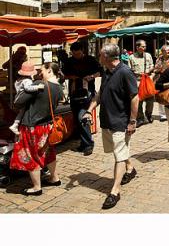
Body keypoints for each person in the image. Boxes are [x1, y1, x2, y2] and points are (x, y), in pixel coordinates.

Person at [84, 44, 139, 210]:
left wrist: (132, 121)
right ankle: (130, 168)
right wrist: (89, 111)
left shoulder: (124, 72)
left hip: (121, 122)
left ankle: (115, 191)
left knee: (118, 155)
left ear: (107, 57)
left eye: (100, 55)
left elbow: (135, 98)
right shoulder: (107, 72)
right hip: (107, 121)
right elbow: (100, 94)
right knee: (115, 150)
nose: (98, 58)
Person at [10, 62, 64, 196]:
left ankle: (36, 187)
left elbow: (17, 102)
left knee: (31, 156)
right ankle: (54, 178)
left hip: (31, 127)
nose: (40, 73)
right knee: (48, 153)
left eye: (42, 71)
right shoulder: (59, 88)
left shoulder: (39, 85)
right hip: (47, 126)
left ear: (50, 71)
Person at [62, 41, 103, 156]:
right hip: (74, 93)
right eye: (74, 54)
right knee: (77, 118)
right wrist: (72, 77)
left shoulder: (90, 59)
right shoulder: (69, 61)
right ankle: (83, 143)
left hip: (88, 93)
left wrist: (91, 76)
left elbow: (100, 72)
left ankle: (89, 144)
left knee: (82, 117)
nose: (76, 56)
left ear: (82, 51)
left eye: (78, 54)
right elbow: (64, 74)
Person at [9, 61, 45, 135]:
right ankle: (15, 125)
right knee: (23, 112)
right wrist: (38, 87)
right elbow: (28, 88)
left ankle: (15, 125)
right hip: (21, 99)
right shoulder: (27, 80)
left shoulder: (18, 80)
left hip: (17, 98)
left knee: (21, 112)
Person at [128, 40, 154, 126]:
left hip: (147, 80)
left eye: (145, 46)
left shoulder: (148, 55)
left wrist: (148, 71)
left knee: (150, 99)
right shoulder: (131, 57)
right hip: (137, 81)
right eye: (142, 46)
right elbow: (129, 70)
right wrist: (137, 74)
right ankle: (140, 118)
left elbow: (152, 66)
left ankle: (148, 115)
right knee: (138, 100)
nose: (144, 48)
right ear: (137, 47)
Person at [153, 45, 169, 122]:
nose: (168, 52)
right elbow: (156, 69)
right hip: (161, 79)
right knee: (160, 96)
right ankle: (162, 115)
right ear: (162, 52)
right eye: (166, 51)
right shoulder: (159, 59)